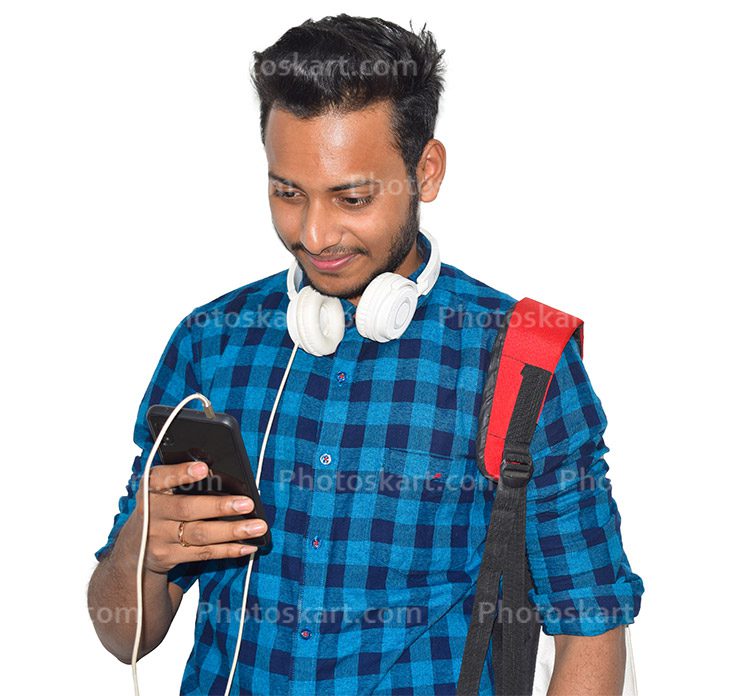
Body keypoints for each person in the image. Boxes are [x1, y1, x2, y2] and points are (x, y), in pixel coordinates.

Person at [87, 14, 644, 695]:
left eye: (352, 197)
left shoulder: (525, 358)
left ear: (426, 171)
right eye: (287, 193)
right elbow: (124, 636)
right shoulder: (211, 341)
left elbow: (590, 626)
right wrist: (141, 554)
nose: (315, 232)